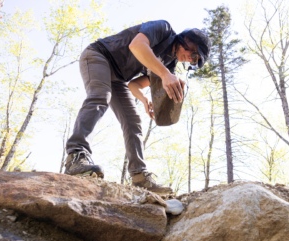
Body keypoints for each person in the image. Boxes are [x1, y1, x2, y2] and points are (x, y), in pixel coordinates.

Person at [64, 20, 211, 194]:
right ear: (187, 40)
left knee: (133, 121)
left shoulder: (169, 65)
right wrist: (165, 74)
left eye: (195, 62)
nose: (190, 60)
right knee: (100, 96)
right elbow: (137, 45)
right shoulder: (163, 29)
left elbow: (134, 85)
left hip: (118, 79)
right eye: (194, 55)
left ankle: (139, 176)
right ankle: (76, 155)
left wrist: (144, 100)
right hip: (99, 55)